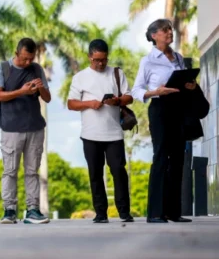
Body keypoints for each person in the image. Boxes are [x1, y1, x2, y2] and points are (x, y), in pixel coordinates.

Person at [132, 19, 196, 223]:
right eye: (165, 30)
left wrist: (190, 86)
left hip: (178, 109)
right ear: (154, 36)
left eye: (170, 29)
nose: (170, 32)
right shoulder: (148, 60)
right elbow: (136, 90)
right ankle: (155, 213)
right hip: (160, 109)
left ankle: (173, 212)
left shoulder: (178, 57)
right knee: (161, 157)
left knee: (178, 159)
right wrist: (155, 92)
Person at [66, 39, 134, 223]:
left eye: (103, 59)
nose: (101, 63)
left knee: (119, 171)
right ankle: (101, 213)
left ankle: (124, 212)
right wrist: (89, 103)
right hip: (90, 135)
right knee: (95, 173)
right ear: (89, 57)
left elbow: (129, 97)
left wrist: (117, 101)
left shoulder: (117, 73)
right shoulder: (80, 77)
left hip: (114, 134)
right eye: (96, 59)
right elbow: (71, 103)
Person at [0, 38, 51, 225]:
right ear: (16, 53)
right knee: (10, 171)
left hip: (35, 127)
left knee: (32, 171)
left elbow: (47, 98)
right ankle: (9, 210)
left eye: (31, 59)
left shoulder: (37, 69)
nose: (27, 63)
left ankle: (32, 210)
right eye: (24, 58)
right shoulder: (3, 68)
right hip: (11, 128)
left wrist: (40, 88)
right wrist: (21, 92)